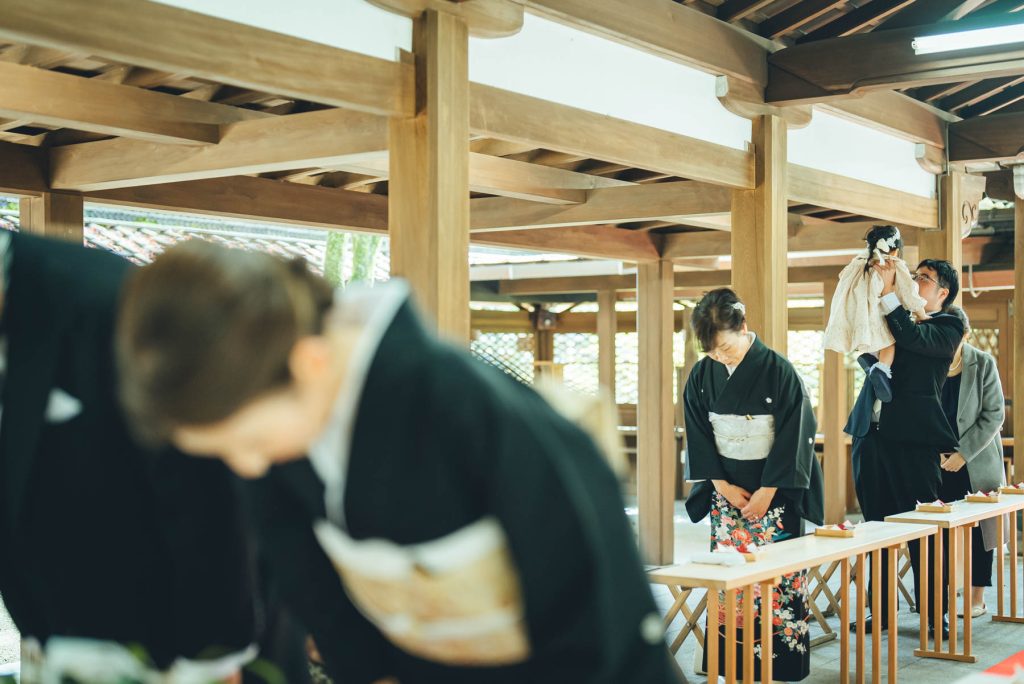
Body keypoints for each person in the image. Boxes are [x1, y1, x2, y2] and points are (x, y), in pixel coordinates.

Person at [115, 240, 681, 684]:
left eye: (251, 440)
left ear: (309, 363)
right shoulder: (273, 418)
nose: (246, 466)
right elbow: (300, 567)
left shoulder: (462, 408)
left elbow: (595, 612)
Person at [0, 231, 306, 682]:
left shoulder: (111, 304)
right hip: (65, 641)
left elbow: (211, 490)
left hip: (200, 644)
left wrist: (213, 658)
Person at [683, 288, 823, 682]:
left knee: (779, 579)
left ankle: (782, 664)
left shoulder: (779, 370)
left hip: (774, 493)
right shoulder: (701, 374)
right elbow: (697, 432)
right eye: (711, 351)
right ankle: (731, 660)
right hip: (727, 492)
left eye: (725, 347)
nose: (719, 357)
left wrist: (769, 490)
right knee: (729, 577)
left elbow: (797, 432)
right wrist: (721, 485)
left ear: (743, 328)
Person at [845, 258, 965, 637]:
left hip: (914, 441)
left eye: (923, 279)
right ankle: (880, 611)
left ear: (942, 293)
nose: (913, 282)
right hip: (871, 435)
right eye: (913, 276)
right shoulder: (893, 316)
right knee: (877, 527)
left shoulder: (948, 325)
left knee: (925, 530)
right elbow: (863, 344)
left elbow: (912, 340)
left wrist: (887, 296)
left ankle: (933, 614)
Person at [937, 306, 1006, 618]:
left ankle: (977, 598)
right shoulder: (931, 362)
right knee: (942, 530)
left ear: (965, 334)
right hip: (937, 461)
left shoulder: (982, 362)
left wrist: (963, 454)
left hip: (976, 460)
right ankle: (943, 595)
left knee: (981, 533)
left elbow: (994, 414)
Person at [823, 225, 927, 402]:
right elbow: (909, 292)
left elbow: (843, 282)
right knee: (889, 342)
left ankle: (872, 362)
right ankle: (881, 368)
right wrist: (922, 315)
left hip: (858, 314)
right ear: (895, 250)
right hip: (876, 312)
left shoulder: (859, 262)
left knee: (874, 341)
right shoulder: (891, 265)